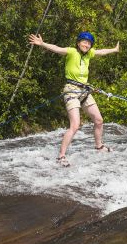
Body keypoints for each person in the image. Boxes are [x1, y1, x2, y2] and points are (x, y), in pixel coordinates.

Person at [28, 32, 120, 167]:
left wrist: (114, 49)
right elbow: (57, 48)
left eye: (89, 43)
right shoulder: (71, 52)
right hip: (71, 90)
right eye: (84, 42)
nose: (86, 44)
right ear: (78, 43)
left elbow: (102, 52)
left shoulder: (89, 54)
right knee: (75, 125)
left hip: (85, 91)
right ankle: (61, 156)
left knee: (99, 120)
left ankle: (99, 147)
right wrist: (42, 44)